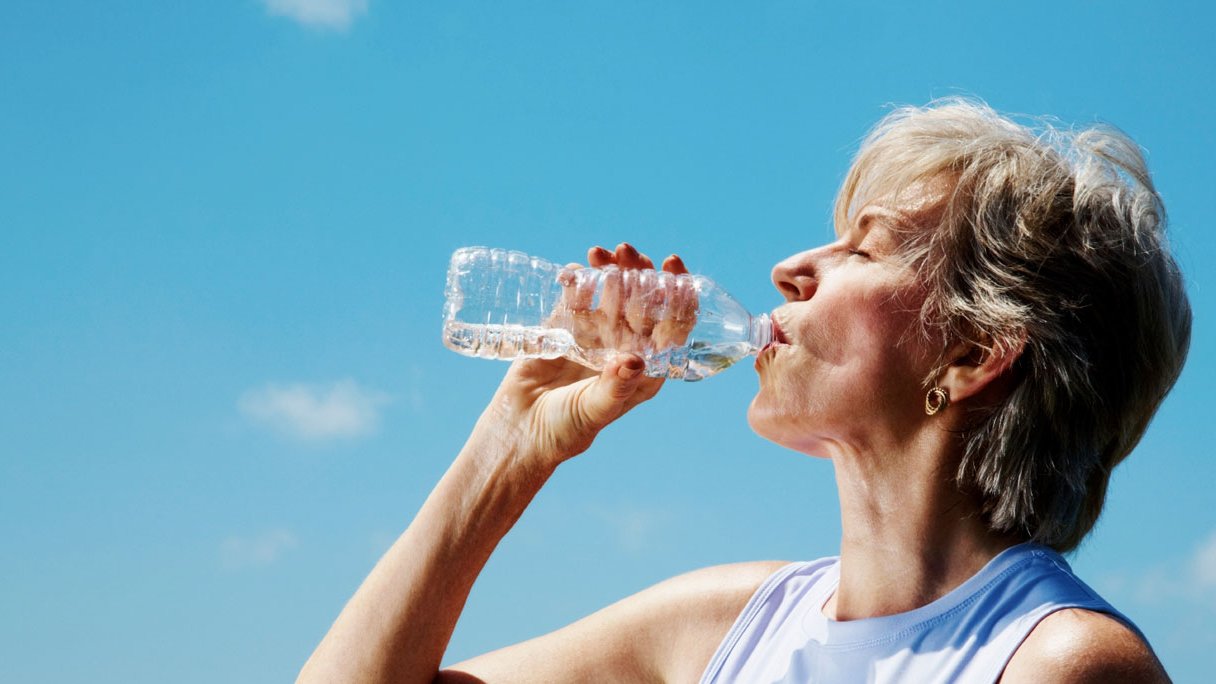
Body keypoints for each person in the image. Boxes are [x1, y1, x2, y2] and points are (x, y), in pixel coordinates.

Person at [298, 99, 1190, 683]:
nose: (791, 268)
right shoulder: (724, 628)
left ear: (972, 355)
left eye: (865, 247)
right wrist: (510, 450)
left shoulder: (1059, 663)